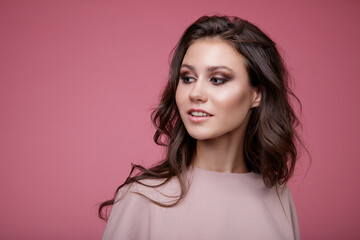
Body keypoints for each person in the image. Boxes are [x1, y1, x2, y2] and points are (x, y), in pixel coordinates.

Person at [99, 15, 303, 240]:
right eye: (187, 78)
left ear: (257, 94)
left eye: (217, 79)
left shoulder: (279, 197)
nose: (195, 93)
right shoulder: (142, 198)